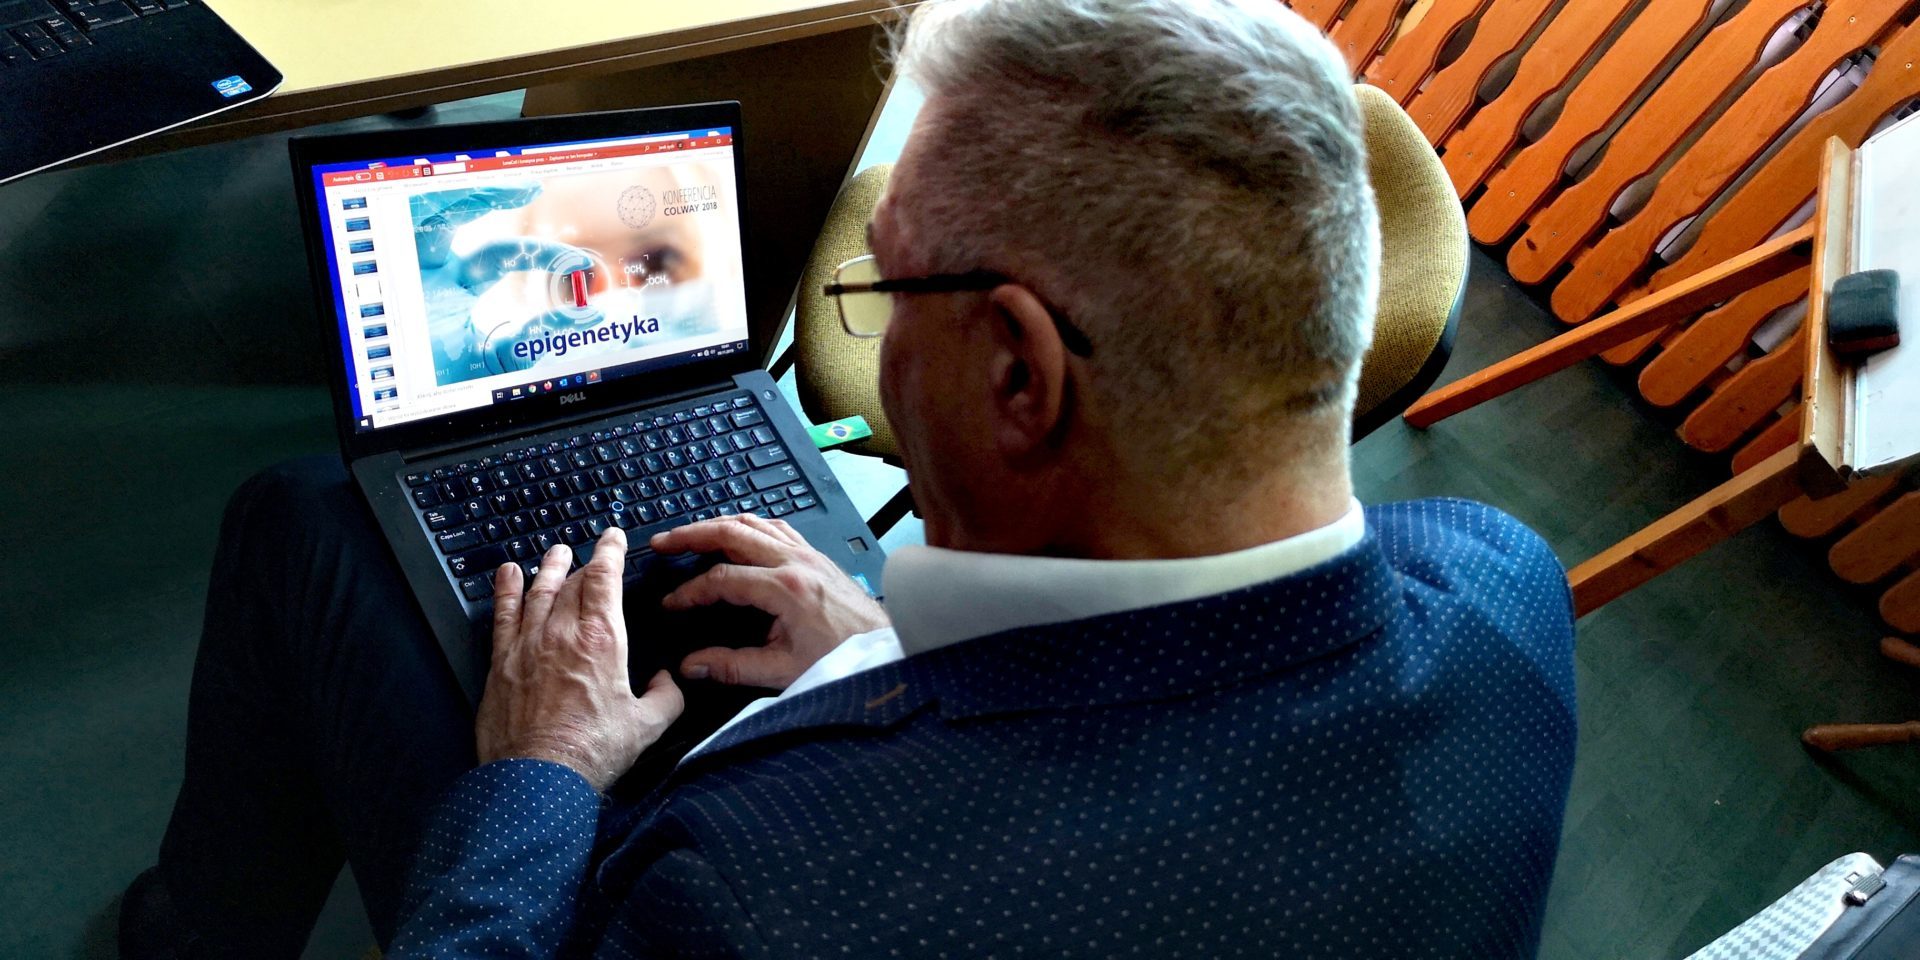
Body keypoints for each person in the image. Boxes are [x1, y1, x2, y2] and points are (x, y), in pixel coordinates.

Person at [122, 0, 1578, 956]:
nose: (866, 318)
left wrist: (543, 775)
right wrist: (885, 646)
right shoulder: (1503, 585)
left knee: (303, 519)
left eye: (882, 285)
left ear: (1017, 376)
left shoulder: (751, 895)